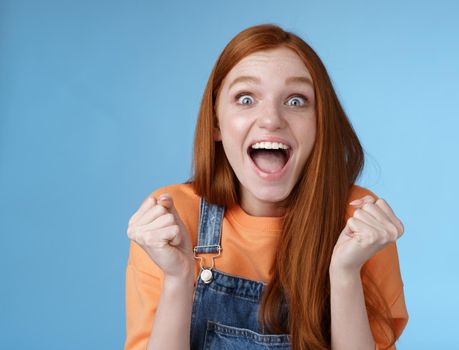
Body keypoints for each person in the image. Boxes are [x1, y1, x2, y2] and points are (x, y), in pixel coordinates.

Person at [125, 24, 409, 350]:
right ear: (217, 121)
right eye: (246, 99)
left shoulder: (359, 223)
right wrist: (178, 279)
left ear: (320, 122)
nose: (271, 119)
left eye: (296, 100)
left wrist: (345, 274)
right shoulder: (172, 220)